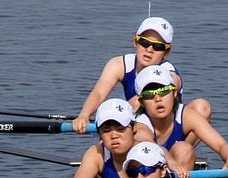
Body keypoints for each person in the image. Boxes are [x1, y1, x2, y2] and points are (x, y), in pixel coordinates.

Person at [71, 17, 211, 140]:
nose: (149, 49)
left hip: (167, 131)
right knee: (134, 105)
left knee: (201, 107)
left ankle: (177, 152)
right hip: (137, 127)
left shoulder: (169, 72)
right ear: (135, 41)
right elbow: (99, 93)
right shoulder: (119, 64)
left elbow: (175, 81)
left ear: (167, 51)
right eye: (144, 42)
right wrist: (84, 115)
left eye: (158, 46)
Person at [132, 64, 228, 178]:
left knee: (183, 149)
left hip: (177, 166)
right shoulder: (139, 125)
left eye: (164, 91)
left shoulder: (186, 115)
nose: (158, 99)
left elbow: (221, 145)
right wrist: (171, 162)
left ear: (174, 93)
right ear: (141, 102)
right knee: (182, 149)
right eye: (149, 94)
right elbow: (154, 147)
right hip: (147, 176)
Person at [50, 99, 139, 178]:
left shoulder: (148, 152)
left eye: (120, 129)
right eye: (106, 130)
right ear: (99, 134)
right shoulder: (97, 154)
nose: (114, 136)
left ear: (134, 128)